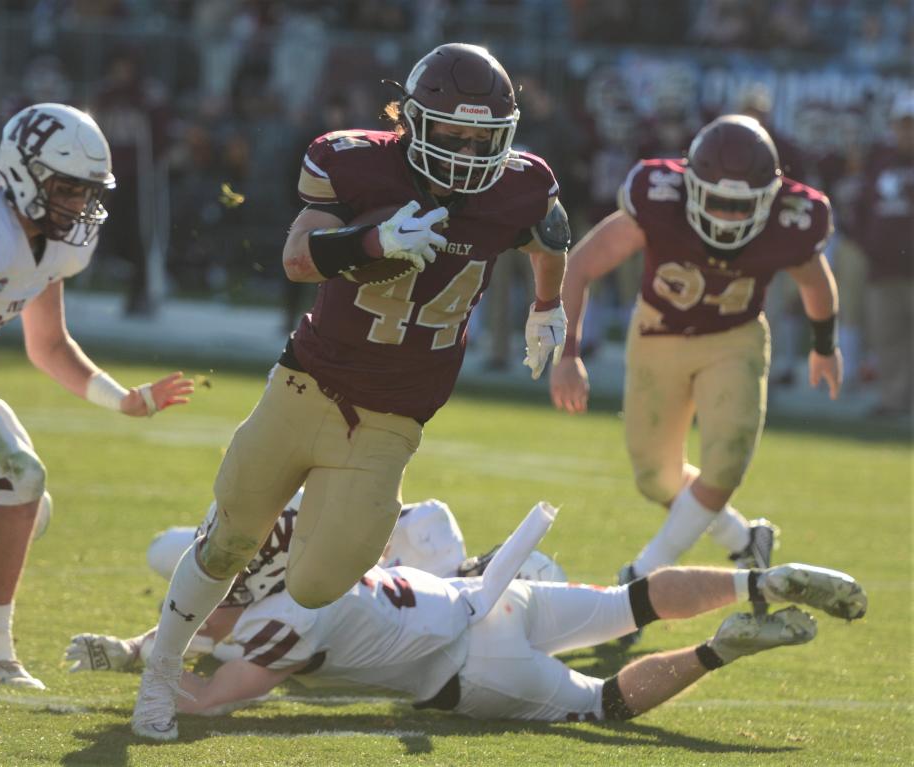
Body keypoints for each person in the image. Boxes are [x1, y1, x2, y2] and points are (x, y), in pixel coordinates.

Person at [132, 42, 571, 740]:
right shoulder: (352, 159)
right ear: (411, 121)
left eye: (482, 138)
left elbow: (550, 235)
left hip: (392, 418)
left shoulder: (519, 184)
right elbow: (297, 257)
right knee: (225, 542)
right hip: (305, 384)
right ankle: (159, 672)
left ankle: (303, 525)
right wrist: (373, 243)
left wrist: (546, 305)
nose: (465, 152)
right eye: (452, 133)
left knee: (317, 583)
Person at [71, 495, 867, 725]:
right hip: (490, 593)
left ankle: (723, 649)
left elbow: (212, 690)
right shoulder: (323, 557)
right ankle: (763, 581)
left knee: (598, 702)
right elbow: (207, 625)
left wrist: (156, 679)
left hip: (472, 666)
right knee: (631, 601)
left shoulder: (283, 620)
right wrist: (141, 648)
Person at [549, 114, 842, 645]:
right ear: (688, 184)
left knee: (727, 457)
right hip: (658, 334)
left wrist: (825, 345)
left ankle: (640, 578)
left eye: (742, 203)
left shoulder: (793, 216)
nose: (729, 216)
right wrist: (567, 353)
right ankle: (743, 538)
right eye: (718, 200)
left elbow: (814, 279)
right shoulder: (657, 199)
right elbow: (583, 264)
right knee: (656, 480)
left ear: (770, 194)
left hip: (734, 337)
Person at [0, 103, 194, 690]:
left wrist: (122, 399)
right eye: (65, 188)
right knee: (22, 476)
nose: (77, 204)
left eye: (86, 191)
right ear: (22, 172)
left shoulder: (58, 242)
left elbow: (50, 345)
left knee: (25, 505)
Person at [66, 491, 566, 672]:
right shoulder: (438, 535)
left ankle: (144, 649)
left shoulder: (453, 598)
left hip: (310, 594)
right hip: (297, 556)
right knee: (167, 555)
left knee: (238, 642)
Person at [855, 90, 913, 418]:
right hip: (883, 270)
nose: (908, 132)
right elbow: (862, 210)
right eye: (903, 125)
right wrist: (871, 247)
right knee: (887, 339)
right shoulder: (880, 164)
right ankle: (893, 400)